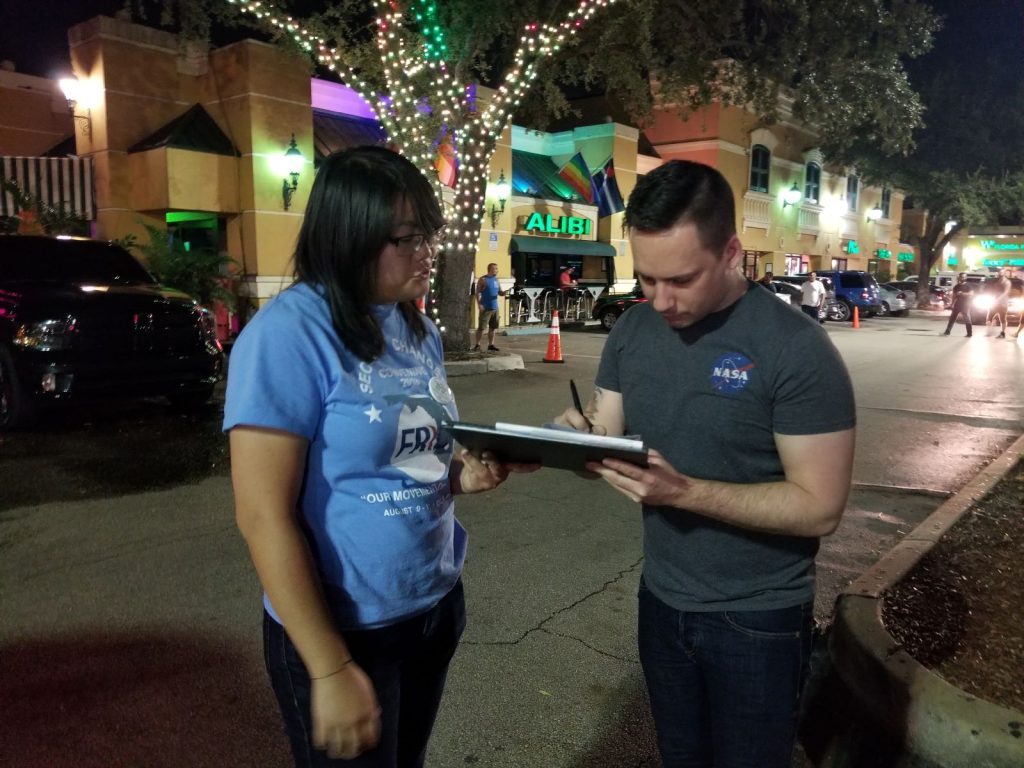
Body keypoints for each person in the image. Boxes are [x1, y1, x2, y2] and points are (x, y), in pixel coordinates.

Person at [224, 146, 533, 768]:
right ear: (349, 239)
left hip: (430, 608)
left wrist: (459, 475)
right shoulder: (288, 336)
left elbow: (412, 454)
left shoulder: (415, 329)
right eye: (405, 239)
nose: (428, 253)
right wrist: (330, 666)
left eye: (430, 235)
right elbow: (262, 516)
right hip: (344, 630)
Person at [554, 160, 856, 768]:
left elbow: (819, 506)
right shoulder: (632, 331)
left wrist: (682, 491)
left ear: (732, 253)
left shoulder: (795, 348)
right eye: (646, 279)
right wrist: (581, 439)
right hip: (661, 600)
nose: (661, 301)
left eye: (681, 280)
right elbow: (608, 431)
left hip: (759, 617)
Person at [472, 262, 505, 352]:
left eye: (497, 268)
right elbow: (477, 292)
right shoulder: (483, 279)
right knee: (481, 327)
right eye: (495, 268)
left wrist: (503, 293)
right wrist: (479, 304)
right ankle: (477, 345)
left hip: (495, 307)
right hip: (485, 307)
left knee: (493, 327)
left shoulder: (496, 280)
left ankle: (491, 345)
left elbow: (499, 291)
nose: (497, 270)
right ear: (490, 269)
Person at [942, 272, 974, 337]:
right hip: (957, 304)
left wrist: (962, 293)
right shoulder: (956, 287)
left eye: (964, 277)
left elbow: (971, 294)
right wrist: (952, 304)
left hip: (965, 305)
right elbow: (954, 296)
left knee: (967, 319)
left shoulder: (969, 286)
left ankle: (969, 333)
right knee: (952, 318)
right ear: (959, 277)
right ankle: (947, 332)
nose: (963, 278)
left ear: (966, 277)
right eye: (962, 277)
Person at [988, 269, 1011, 338]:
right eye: (999, 272)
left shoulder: (1007, 282)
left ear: (1004, 273)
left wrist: (998, 299)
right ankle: (991, 329)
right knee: (989, 316)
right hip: (995, 302)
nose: (1000, 273)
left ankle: (1002, 333)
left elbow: (1006, 292)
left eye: (1001, 272)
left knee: (1002, 318)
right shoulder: (997, 281)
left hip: (1003, 303)